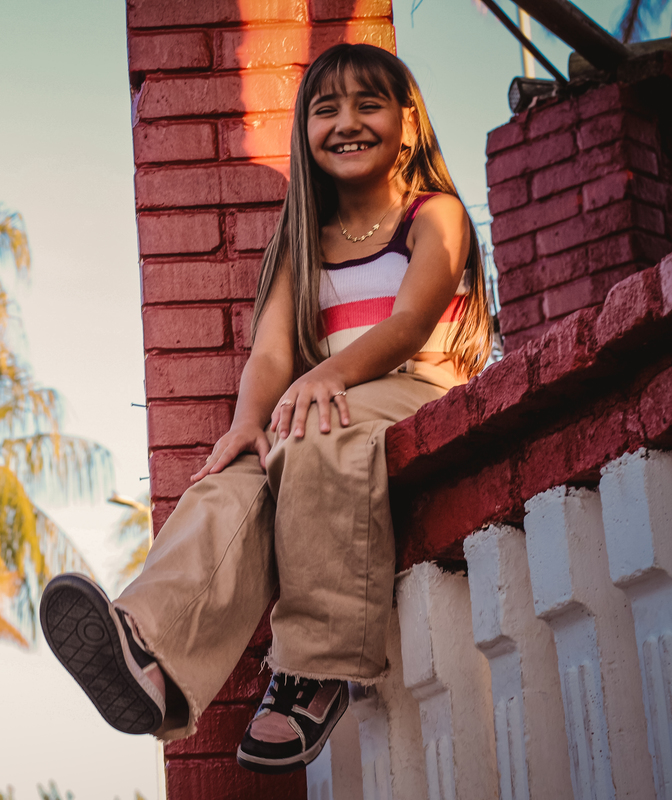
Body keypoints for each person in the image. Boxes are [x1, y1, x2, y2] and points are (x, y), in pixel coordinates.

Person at [39, 43, 494, 774]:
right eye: (326, 109)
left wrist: (328, 377)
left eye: (369, 105)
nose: (347, 122)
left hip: (417, 384)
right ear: (305, 132)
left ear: (408, 124)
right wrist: (247, 424)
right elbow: (273, 356)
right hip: (334, 404)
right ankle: (150, 652)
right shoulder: (302, 244)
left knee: (313, 432)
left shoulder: (433, 215)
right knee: (233, 480)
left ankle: (315, 671)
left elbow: (412, 322)